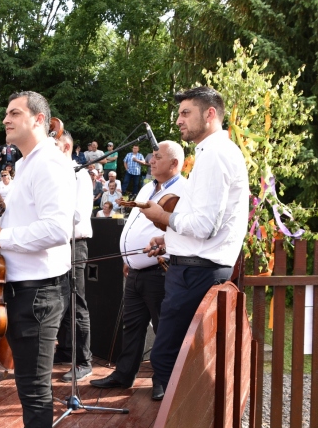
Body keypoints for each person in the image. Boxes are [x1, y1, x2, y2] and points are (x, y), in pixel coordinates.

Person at [0, 92, 75, 428]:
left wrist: (5, 237)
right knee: (25, 386)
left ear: (39, 119)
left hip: (40, 292)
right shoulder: (26, 164)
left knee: (35, 391)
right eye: (5, 113)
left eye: (14, 112)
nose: (6, 119)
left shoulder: (51, 163)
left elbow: (57, 228)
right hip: (22, 288)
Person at [140, 86, 250, 393]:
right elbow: (203, 220)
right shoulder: (211, 152)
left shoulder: (215, 154)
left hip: (197, 272)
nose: (179, 121)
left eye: (186, 112)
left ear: (210, 114)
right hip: (195, 267)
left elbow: (204, 226)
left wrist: (163, 218)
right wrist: (168, 237)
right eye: (179, 114)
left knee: (169, 360)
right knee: (178, 359)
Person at [90, 141, 188, 401]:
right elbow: (135, 223)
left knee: (163, 328)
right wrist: (128, 258)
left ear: (175, 164)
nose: (151, 161)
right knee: (131, 327)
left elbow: (180, 231)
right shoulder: (147, 186)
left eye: (157, 157)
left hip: (160, 270)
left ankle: (162, 380)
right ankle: (124, 374)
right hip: (134, 270)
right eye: (151, 157)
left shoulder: (185, 190)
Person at [52, 130, 95, 382]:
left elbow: (78, 213)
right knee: (62, 299)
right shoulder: (56, 174)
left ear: (66, 146)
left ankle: (84, 361)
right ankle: (66, 350)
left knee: (77, 302)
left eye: (55, 144)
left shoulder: (80, 174)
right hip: (57, 244)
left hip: (74, 243)